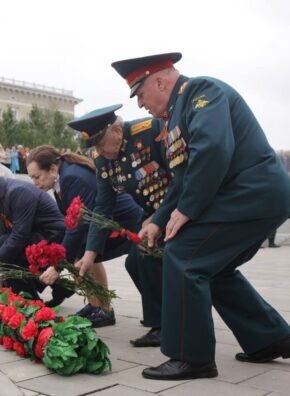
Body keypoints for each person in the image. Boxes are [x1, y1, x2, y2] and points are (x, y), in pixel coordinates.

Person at [111, 52, 290, 380]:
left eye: (139, 94)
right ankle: (270, 338)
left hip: (253, 191)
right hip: (249, 195)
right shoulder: (176, 114)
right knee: (213, 266)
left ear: (161, 81)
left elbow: (212, 150)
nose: (139, 105)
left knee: (182, 255)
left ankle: (191, 358)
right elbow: (182, 179)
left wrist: (188, 210)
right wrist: (158, 219)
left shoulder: (203, 92)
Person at [66, 105, 172, 340]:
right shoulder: (103, 158)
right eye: (96, 147)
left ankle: (167, 324)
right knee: (135, 262)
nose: (101, 152)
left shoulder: (149, 131)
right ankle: (162, 321)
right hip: (151, 217)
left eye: (103, 144)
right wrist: (90, 253)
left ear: (117, 130)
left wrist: (160, 216)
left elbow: (179, 176)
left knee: (145, 259)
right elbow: (103, 206)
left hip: (175, 210)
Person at [27, 143, 143, 326]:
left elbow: (77, 227)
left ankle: (104, 309)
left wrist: (57, 267)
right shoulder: (62, 177)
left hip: (124, 221)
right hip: (101, 221)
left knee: (85, 253)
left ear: (52, 169)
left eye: (37, 177)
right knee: (80, 253)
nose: (35, 183)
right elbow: (71, 222)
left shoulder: (71, 178)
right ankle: (95, 304)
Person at [0, 169, 66, 300]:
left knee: (14, 252)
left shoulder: (18, 191)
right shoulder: (0, 196)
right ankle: (61, 289)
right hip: (37, 235)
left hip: (54, 237)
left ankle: (30, 302)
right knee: (3, 242)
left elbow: (19, 236)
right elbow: (3, 233)